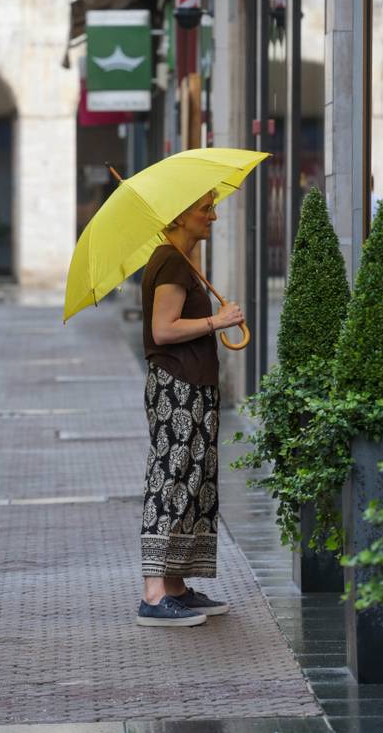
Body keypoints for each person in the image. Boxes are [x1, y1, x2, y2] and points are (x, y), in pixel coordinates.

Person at [137, 190, 245, 627]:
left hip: (195, 386)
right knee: (170, 476)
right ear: (179, 215)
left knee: (195, 480)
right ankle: (154, 593)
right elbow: (162, 330)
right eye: (205, 209)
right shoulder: (170, 261)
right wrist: (216, 321)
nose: (214, 217)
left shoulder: (183, 261)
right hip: (177, 386)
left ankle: (177, 586)